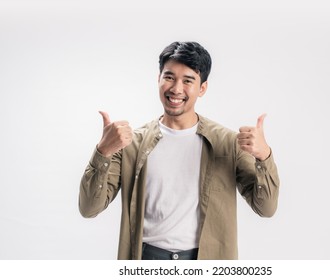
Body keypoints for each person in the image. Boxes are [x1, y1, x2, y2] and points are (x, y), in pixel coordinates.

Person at [79, 41, 280, 260]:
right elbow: (89, 209)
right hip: (146, 259)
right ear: (158, 79)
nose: (176, 88)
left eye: (188, 80)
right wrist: (103, 153)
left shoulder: (227, 143)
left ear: (202, 88)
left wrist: (264, 157)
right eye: (169, 77)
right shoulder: (130, 145)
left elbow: (266, 208)